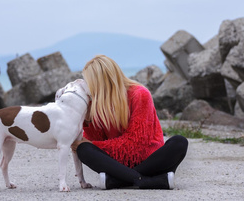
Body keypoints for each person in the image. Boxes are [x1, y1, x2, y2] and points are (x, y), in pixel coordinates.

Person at [71, 55, 188, 190]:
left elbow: (135, 145)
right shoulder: (97, 104)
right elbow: (94, 143)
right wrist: (88, 119)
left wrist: (91, 144)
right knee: (83, 149)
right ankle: (150, 181)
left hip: (148, 159)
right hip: (117, 163)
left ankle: (119, 181)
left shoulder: (140, 94)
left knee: (179, 142)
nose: (88, 88)